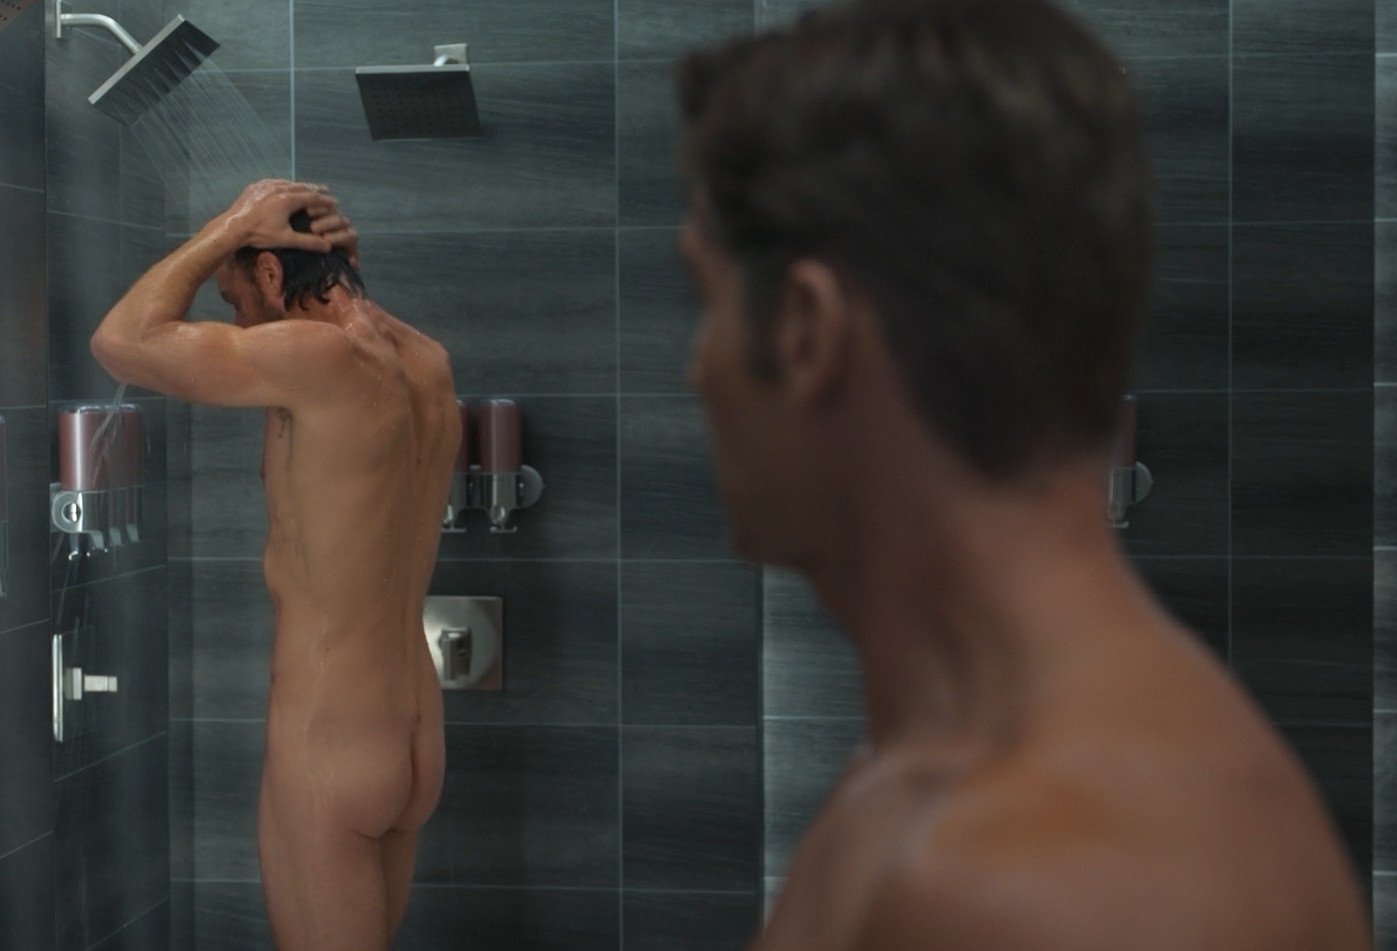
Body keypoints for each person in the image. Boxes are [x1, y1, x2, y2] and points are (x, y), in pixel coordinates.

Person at [675, 1, 1372, 949]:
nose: (696, 368)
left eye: (706, 298)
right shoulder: (931, 765)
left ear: (806, 331)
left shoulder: (1053, 886)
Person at [91, 180, 458, 951]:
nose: (235, 324)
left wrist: (226, 227)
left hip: (329, 740)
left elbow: (121, 340)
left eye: (233, 298)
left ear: (266, 271)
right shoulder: (427, 363)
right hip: (414, 735)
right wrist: (331, 266)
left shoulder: (318, 358)